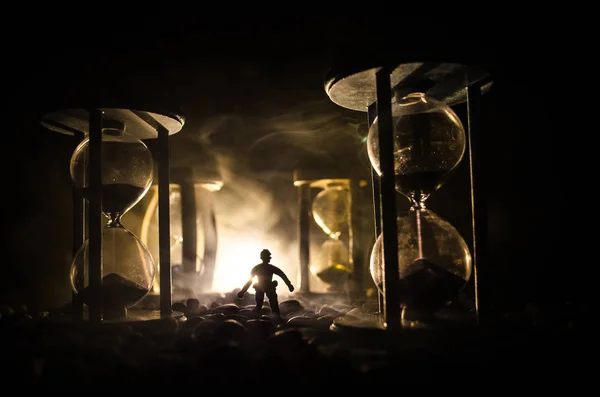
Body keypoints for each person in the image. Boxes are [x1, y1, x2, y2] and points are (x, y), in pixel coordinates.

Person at [237, 249, 294, 316]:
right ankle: (258, 317)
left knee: (271, 305)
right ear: (263, 257)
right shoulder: (264, 268)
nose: (269, 258)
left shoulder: (258, 268)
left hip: (265, 287)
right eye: (268, 256)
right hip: (263, 287)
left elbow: (282, 275)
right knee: (263, 305)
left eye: (269, 256)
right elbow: (250, 281)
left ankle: (275, 317)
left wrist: (289, 285)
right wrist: (243, 291)